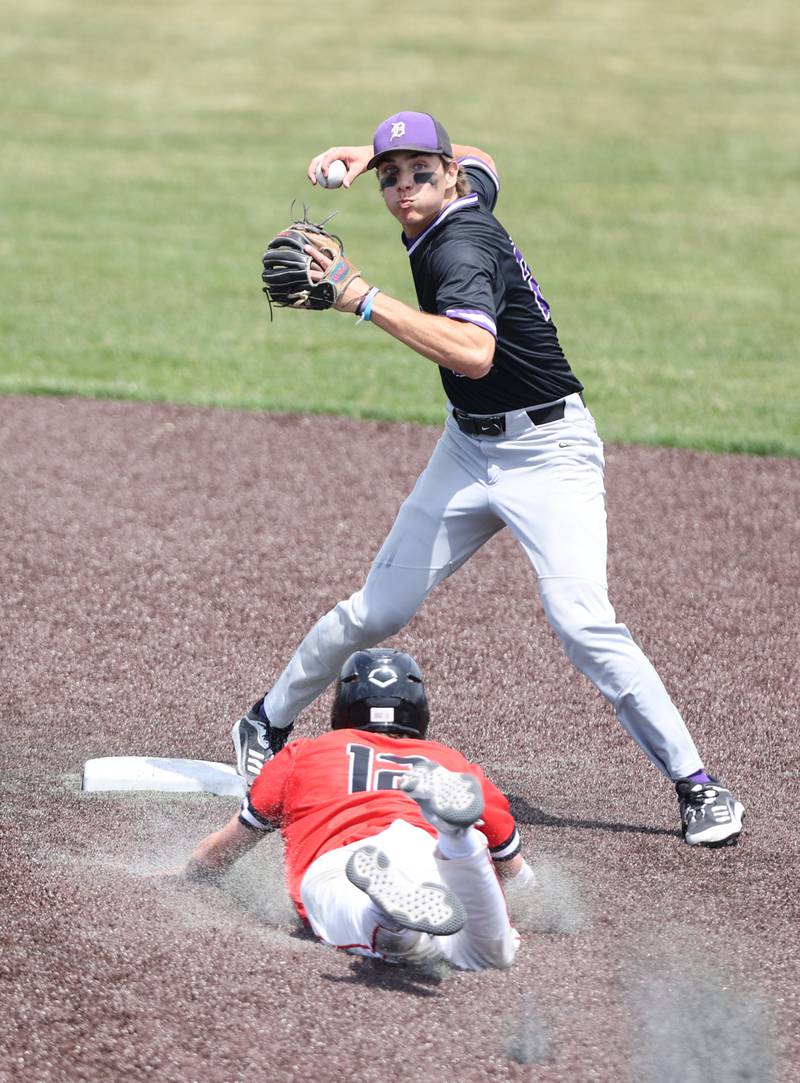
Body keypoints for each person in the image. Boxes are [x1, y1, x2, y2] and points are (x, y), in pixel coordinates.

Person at [232, 110, 744, 848]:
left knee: (583, 620)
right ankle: (265, 720)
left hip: (550, 456)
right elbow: (485, 154)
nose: (405, 189)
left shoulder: (463, 245)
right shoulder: (469, 187)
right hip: (468, 451)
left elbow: (471, 353)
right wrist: (361, 149)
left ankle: (699, 784)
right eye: (392, 176)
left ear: (449, 177)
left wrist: (364, 299)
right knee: (378, 608)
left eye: (420, 172)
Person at [189, 649, 528, 969]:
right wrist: (533, 891)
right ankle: (458, 839)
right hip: (429, 850)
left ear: (344, 706)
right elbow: (516, 873)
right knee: (490, 954)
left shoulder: (304, 753)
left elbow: (219, 853)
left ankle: (389, 918)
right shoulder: (452, 762)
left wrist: (189, 874)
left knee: (359, 919)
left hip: (345, 862)